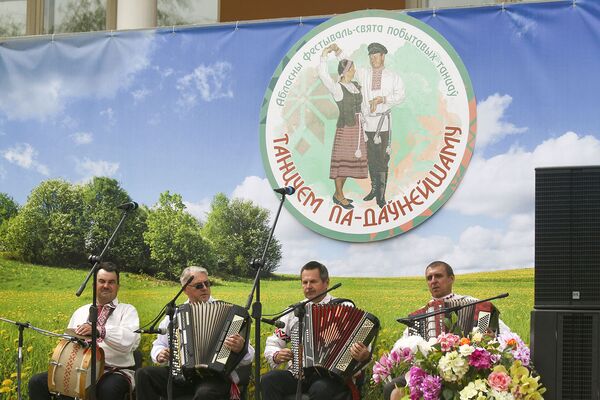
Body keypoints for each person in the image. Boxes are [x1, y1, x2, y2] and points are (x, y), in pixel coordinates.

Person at [384, 261, 512, 400]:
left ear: (451, 278)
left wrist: (490, 336)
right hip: (428, 373)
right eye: (429, 278)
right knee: (391, 388)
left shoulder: (479, 307)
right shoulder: (419, 315)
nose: (433, 281)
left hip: (469, 370)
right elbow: (405, 345)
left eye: (438, 276)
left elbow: (500, 336)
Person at [135, 266, 254, 400]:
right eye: (198, 285)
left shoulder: (230, 314)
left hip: (214, 377)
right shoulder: (176, 314)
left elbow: (249, 355)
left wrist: (240, 348)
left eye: (207, 283)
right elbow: (158, 344)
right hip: (181, 374)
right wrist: (159, 354)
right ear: (185, 289)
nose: (204, 288)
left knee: (204, 394)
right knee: (143, 374)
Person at [28, 262, 141, 400]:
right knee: (37, 382)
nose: (106, 285)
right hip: (78, 369)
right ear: (94, 285)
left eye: (111, 282)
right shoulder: (81, 311)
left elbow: (130, 341)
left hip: (114, 371)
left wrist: (99, 331)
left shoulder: (127, 310)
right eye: (102, 281)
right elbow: (67, 342)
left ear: (118, 286)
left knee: (108, 389)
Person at [261, 261, 372, 400]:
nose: (308, 286)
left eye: (313, 281)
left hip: (333, 377)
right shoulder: (293, 311)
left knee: (320, 389)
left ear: (327, 282)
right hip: (299, 374)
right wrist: (276, 355)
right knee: (268, 380)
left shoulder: (344, 307)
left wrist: (363, 354)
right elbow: (274, 341)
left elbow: (363, 345)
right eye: (304, 282)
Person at [335, 42, 405, 208]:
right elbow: (347, 65)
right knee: (370, 160)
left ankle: (381, 196)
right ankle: (374, 189)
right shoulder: (364, 74)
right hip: (366, 125)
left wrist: (383, 99)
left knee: (382, 160)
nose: (373, 59)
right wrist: (338, 51)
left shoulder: (393, 76)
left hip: (383, 124)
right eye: (371, 56)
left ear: (383, 56)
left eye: (376, 55)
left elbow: (401, 95)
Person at [319, 45, 368, 210]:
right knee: (341, 165)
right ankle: (338, 195)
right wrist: (324, 56)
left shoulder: (355, 85)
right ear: (346, 71)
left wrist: (339, 52)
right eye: (352, 68)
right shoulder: (337, 88)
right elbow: (323, 75)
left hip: (357, 128)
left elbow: (346, 62)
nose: (355, 69)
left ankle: (339, 194)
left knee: (349, 164)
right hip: (346, 128)